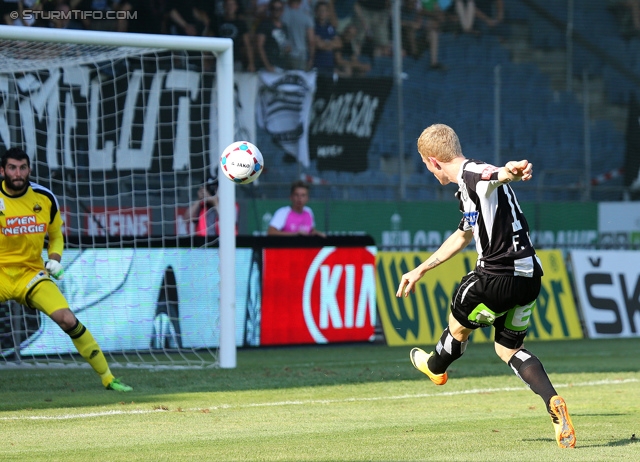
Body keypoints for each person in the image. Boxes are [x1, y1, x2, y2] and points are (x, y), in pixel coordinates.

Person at [395, 124, 576, 449]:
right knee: (508, 349)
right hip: (529, 278)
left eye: (425, 164)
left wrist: (511, 170)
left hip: (496, 276)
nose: (428, 170)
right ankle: (553, 402)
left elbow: (493, 175)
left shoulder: (471, 173)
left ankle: (436, 366)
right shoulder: (468, 190)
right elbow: (464, 234)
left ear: (433, 161)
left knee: (458, 325)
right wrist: (421, 269)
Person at [0, 148, 132, 392]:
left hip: (31, 273)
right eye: (12, 168)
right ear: (2, 171)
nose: (17, 173)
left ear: (29, 169)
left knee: (67, 319)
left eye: (22, 168)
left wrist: (55, 259)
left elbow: (55, 235)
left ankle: (108, 377)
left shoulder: (44, 198)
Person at [281, 0, 315, 70]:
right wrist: (311, 59)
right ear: (301, 2)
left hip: (285, 54)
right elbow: (311, 41)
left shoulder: (282, 15)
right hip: (301, 56)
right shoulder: (306, 17)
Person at [312, 0, 341, 77]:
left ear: (328, 13)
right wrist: (331, 43)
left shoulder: (330, 27)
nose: (322, 13)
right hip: (317, 64)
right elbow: (320, 45)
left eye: (324, 11)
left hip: (329, 65)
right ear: (316, 12)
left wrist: (325, 43)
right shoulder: (313, 26)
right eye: (320, 10)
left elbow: (339, 43)